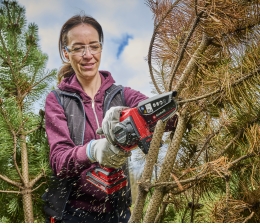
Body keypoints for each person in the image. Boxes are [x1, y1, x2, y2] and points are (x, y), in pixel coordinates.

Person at [43, 14, 148, 223]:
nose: (88, 54)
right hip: (71, 213)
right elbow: (59, 160)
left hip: (117, 213)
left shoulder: (123, 95)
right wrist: (93, 150)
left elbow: (162, 117)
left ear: (101, 48)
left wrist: (130, 115)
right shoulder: (57, 100)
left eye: (93, 46)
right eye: (78, 47)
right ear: (66, 53)